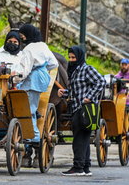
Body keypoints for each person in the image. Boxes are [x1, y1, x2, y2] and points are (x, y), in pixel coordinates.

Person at [11, 24, 58, 167]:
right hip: (42, 77)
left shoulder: (29, 49)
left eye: (23, 35)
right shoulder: (43, 46)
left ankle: (34, 136)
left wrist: (14, 79)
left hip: (33, 79)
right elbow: (53, 63)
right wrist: (42, 68)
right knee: (33, 105)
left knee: (28, 107)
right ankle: (33, 134)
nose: (21, 37)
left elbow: (25, 70)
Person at [58, 45, 106, 176]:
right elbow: (77, 90)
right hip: (75, 108)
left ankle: (77, 167)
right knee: (83, 137)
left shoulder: (86, 69)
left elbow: (101, 81)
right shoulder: (74, 71)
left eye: (74, 57)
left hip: (84, 109)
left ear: (79, 57)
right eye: (70, 57)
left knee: (79, 138)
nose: (71, 60)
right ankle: (85, 167)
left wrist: (89, 98)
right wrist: (65, 92)